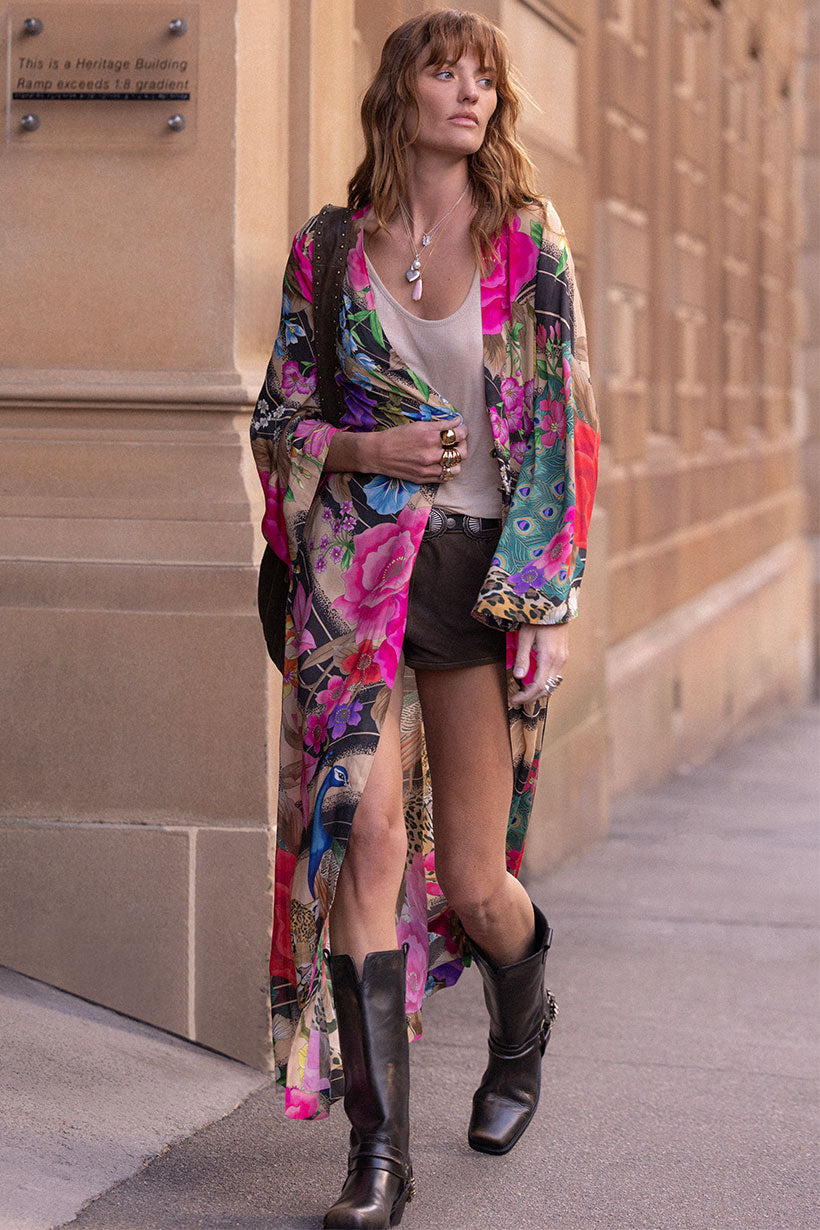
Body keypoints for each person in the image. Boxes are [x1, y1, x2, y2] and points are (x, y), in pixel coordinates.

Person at [250, 9, 599, 1227]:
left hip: (481, 580)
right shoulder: (327, 250)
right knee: (363, 844)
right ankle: (378, 1160)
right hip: (354, 582)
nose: (469, 93)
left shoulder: (525, 241)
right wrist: (366, 448)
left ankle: (520, 1031)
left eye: (483, 78)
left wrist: (546, 594)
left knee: (473, 876)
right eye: (445, 72)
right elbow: (277, 418)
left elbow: (563, 425)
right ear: (399, 91)